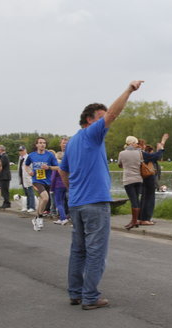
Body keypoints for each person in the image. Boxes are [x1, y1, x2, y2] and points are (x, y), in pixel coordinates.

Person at [59, 80, 144, 310]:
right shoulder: (91, 135)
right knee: (96, 251)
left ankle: (76, 293)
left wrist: (71, 189)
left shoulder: (73, 141)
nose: (105, 122)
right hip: (94, 203)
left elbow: (62, 169)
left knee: (78, 250)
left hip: (76, 203)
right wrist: (128, 91)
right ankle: (90, 296)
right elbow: (113, 115)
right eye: (101, 117)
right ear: (90, 119)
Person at [24, 137, 59, 231]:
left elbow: (58, 167)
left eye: (44, 143)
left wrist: (49, 167)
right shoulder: (31, 155)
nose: (42, 144)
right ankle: (40, 217)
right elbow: (26, 165)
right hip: (36, 180)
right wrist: (29, 171)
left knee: (42, 200)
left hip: (47, 181)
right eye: (40, 143)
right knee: (45, 197)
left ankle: (35, 219)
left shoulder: (50, 155)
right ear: (36, 145)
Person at [137, 134, 168, 225]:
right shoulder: (141, 154)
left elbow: (155, 156)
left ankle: (141, 218)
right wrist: (161, 148)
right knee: (149, 199)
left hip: (142, 179)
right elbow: (157, 156)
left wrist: (162, 144)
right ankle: (145, 219)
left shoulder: (137, 153)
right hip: (147, 179)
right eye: (143, 145)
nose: (144, 146)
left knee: (143, 199)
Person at [118, 136, 143, 230]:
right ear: (133, 143)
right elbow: (141, 163)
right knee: (136, 199)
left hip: (128, 180)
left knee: (133, 201)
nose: (137, 144)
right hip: (138, 179)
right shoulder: (139, 153)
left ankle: (133, 221)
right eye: (136, 143)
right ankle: (135, 220)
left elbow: (120, 165)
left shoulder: (122, 153)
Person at [50, 152, 68, 225]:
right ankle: (61, 218)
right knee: (62, 202)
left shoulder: (56, 166)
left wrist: (51, 188)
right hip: (64, 185)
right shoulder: (65, 165)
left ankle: (63, 218)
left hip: (58, 186)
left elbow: (53, 178)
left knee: (58, 203)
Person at [18, 146, 36, 212]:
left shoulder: (29, 157)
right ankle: (27, 206)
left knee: (30, 193)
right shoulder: (20, 158)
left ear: (25, 150)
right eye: (20, 151)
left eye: (22, 150)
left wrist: (32, 174)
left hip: (28, 178)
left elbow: (33, 167)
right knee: (26, 193)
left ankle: (32, 207)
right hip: (22, 178)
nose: (21, 152)